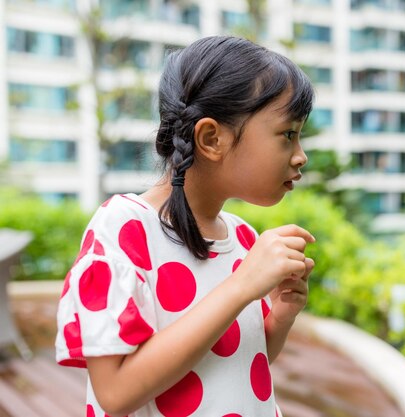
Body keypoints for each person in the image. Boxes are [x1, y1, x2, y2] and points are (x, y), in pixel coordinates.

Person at [55, 35, 316, 417]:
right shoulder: (125, 228)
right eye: (288, 134)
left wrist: (279, 316)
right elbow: (115, 393)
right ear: (212, 139)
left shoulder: (242, 236)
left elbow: (242, 359)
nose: (301, 156)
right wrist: (242, 286)